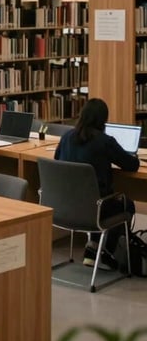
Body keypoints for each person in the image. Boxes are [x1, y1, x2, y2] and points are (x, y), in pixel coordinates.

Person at [54, 97, 139, 269]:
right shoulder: (104, 141)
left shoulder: (66, 137)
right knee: (127, 205)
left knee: (96, 198)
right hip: (96, 209)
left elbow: (57, 162)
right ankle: (107, 250)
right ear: (103, 120)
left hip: (65, 208)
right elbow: (131, 165)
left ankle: (93, 248)